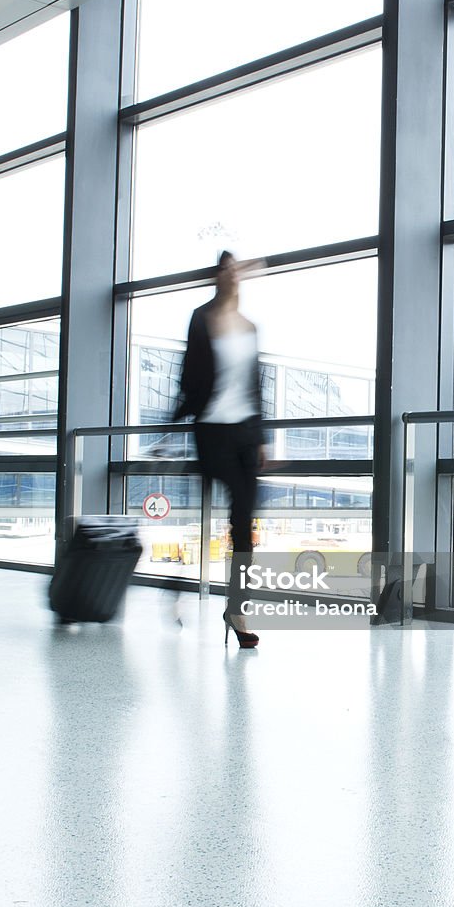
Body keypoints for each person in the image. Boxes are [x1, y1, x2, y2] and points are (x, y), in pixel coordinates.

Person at [174, 251, 266, 648]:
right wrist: (179, 417)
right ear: (217, 276)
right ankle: (174, 587)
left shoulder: (249, 326)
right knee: (211, 522)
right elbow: (188, 375)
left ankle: (237, 609)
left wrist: (262, 437)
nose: (231, 274)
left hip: (245, 432)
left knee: (244, 527)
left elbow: (255, 386)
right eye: (224, 268)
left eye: (235, 268)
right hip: (212, 430)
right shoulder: (202, 318)